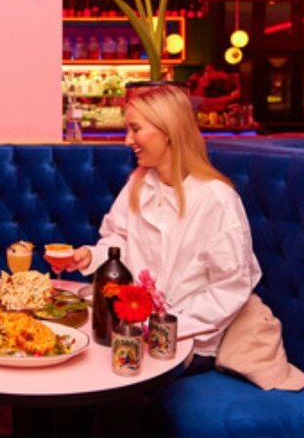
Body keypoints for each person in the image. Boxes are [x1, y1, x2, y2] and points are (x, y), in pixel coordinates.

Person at [52, 84, 261, 374]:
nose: (127, 141)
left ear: (168, 130)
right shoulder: (139, 181)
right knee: (73, 356)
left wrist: (166, 325)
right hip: (136, 328)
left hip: (189, 342)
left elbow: (230, 287)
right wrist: (90, 256)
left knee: (96, 370)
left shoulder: (217, 199)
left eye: (135, 129)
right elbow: (119, 241)